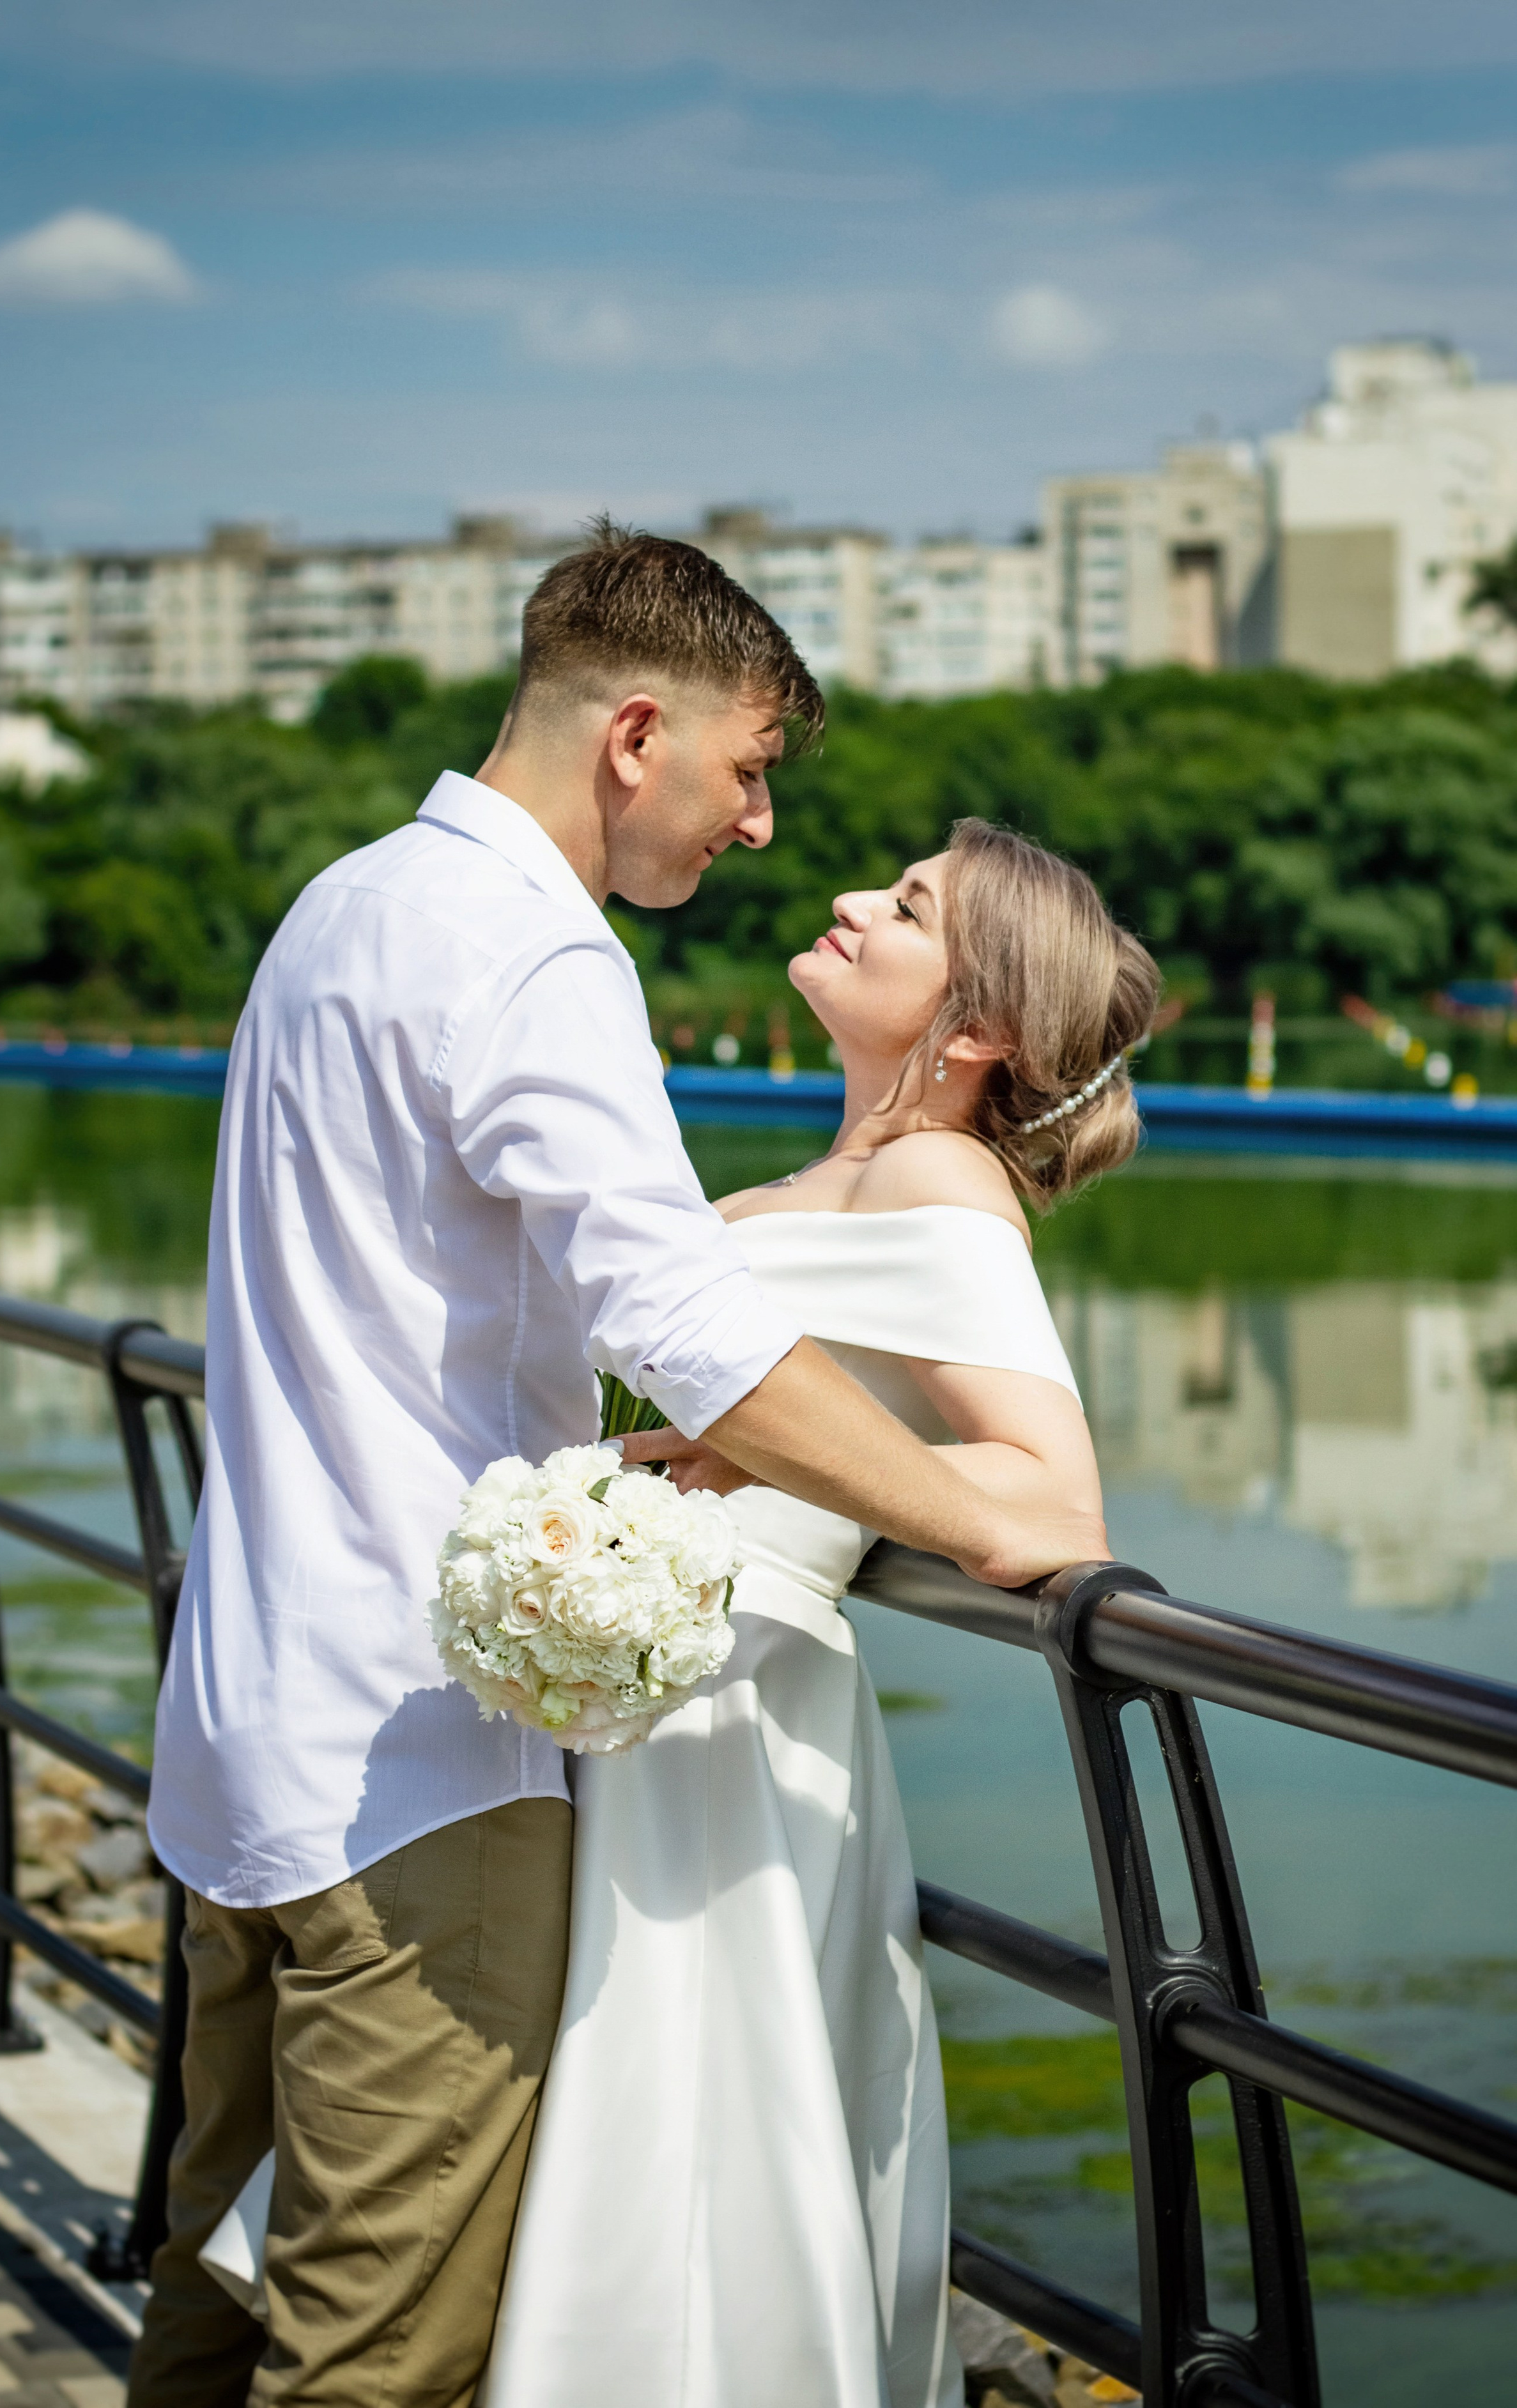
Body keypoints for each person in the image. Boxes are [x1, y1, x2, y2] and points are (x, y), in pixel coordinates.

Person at [128, 528, 1105, 2408]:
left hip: (243, 1731)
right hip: (417, 1768)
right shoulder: (534, 955)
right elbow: (686, 1319)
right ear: (639, 733)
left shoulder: (344, 905)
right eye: (749, 774)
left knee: (215, 2287)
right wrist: (984, 1518)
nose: (758, 831)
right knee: (372, 2355)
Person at [480, 818, 1159, 2407]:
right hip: (666, 1691)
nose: (853, 900)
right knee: (662, 2127)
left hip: (737, 1705)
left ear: (974, 1026)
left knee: (688, 2125)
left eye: (907, 904)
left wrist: (799, 1462)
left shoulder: (934, 1174)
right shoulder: (836, 1172)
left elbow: (1055, 1501)